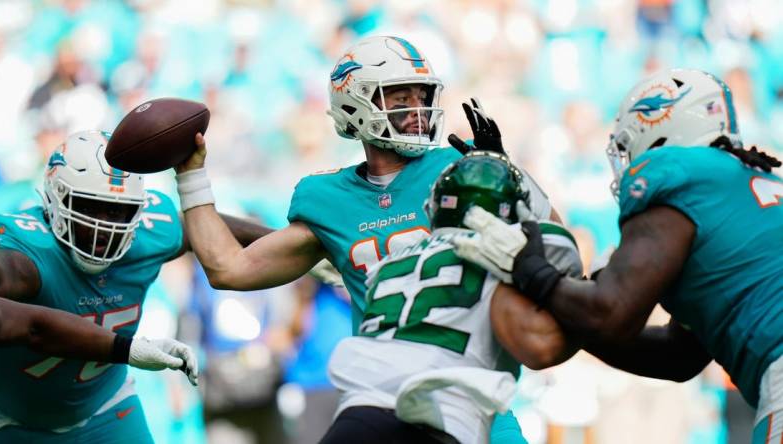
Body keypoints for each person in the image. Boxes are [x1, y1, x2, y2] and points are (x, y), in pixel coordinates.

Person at [175, 35, 557, 443]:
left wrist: (508, 175)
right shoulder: (328, 200)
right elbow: (228, 267)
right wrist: (191, 175)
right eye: (399, 97)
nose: (417, 109)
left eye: (421, 94)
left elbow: (555, 240)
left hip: (472, 393)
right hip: (382, 397)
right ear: (356, 103)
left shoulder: (457, 169)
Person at [456, 69, 783, 444]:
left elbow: (611, 313)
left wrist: (532, 272)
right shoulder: (739, 189)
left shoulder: (676, 176)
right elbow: (678, 356)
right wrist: (571, 315)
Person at [0, 130, 266, 443]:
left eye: (117, 210)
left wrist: (291, 246)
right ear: (56, 198)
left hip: (106, 408)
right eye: (88, 206)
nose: (104, 226)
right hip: (13, 420)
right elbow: (33, 327)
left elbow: (198, 227)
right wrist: (127, 349)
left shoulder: (149, 234)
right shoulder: (23, 255)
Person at [319, 151, 582, 444]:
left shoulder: (385, 266)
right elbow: (542, 350)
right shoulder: (501, 252)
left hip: (357, 417)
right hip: (438, 418)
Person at [0, 296, 195, 373]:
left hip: (105, 402)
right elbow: (31, 325)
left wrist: (195, 201)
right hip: (16, 413)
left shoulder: (156, 233)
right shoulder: (25, 248)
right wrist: (127, 349)